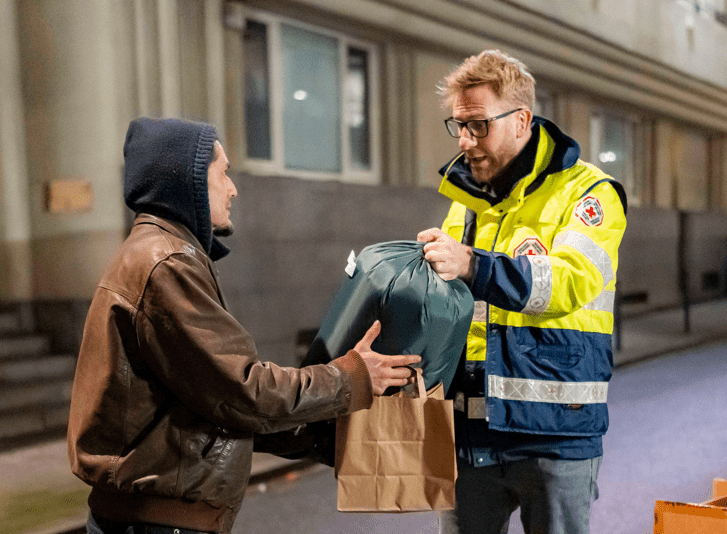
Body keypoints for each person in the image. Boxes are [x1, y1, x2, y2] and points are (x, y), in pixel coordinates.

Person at [67, 117, 420, 534]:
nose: (233, 188)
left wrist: (328, 437)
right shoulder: (167, 263)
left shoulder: (162, 253)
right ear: (190, 181)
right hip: (158, 523)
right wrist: (352, 377)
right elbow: (243, 392)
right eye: (224, 173)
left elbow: (215, 404)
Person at [417, 50, 627, 534]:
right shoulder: (468, 200)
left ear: (521, 119)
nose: (466, 141)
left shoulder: (588, 193)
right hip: (470, 432)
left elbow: (567, 282)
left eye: (478, 125)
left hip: (554, 432)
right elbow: (458, 308)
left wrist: (470, 263)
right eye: (458, 126)